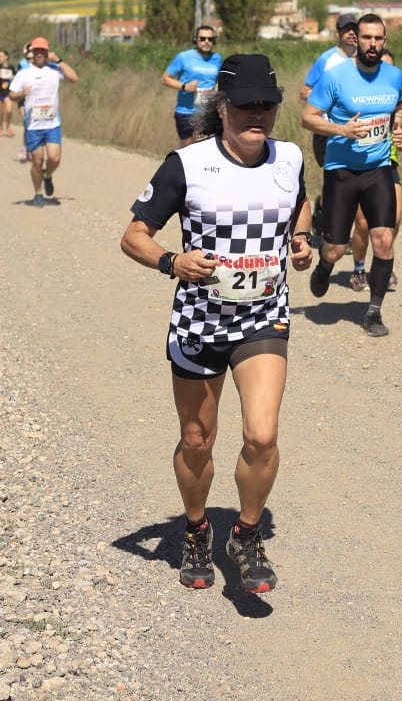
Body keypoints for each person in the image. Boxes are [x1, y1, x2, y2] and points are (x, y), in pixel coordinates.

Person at [119, 53, 314, 594]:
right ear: (222, 106)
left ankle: (246, 536)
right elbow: (133, 235)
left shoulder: (290, 158)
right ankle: (197, 530)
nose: (258, 116)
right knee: (197, 438)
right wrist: (172, 262)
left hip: (262, 318)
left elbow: (300, 204)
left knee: (262, 433)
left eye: (268, 107)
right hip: (200, 321)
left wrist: (300, 242)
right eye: (247, 106)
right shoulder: (187, 164)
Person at [301, 12, 402, 337]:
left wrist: (400, 129)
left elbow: (398, 106)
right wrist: (340, 129)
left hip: (378, 170)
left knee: (384, 239)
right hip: (342, 171)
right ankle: (325, 265)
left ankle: (373, 311)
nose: (372, 44)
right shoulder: (336, 76)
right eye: (366, 38)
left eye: (378, 39)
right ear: (355, 40)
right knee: (335, 247)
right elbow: (308, 117)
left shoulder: (394, 76)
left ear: (384, 41)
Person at [346, 46, 402, 292]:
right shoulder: (352, 92)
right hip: (357, 163)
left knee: (394, 220)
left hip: (387, 163)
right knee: (362, 223)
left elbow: (399, 129)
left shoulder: (396, 94)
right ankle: (359, 268)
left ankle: (382, 261)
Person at [298, 12, 360, 226]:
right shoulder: (327, 59)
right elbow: (304, 91)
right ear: (338, 33)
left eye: (355, 29)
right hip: (327, 129)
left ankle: (334, 217)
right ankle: (328, 220)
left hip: (357, 129)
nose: (352, 33)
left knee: (352, 178)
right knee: (336, 178)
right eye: (347, 29)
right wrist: (328, 98)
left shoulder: (364, 60)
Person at [8, 36, 78, 207]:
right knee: (37, 161)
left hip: (52, 124)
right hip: (33, 125)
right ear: (32, 52)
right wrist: (22, 94)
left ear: (47, 52)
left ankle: (48, 175)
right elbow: (11, 94)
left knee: (54, 158)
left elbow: (73, 78)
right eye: (36, 50)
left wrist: (59, 60)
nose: (39, 53)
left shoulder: (54, 70)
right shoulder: (24, 73)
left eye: (42, 50)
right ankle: (38, 193)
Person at [160, 24, 221, 145]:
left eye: (210, 39)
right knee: (187, 149)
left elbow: (219, 81)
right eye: (202, 39)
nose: (207, 42)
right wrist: (184, 86)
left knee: (204, 146)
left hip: (206, 112)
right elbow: (165, 79)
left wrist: (216, 94)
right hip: (186, 112)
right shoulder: (184, 57)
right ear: (195, 39)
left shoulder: (217, 58)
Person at [0, 49, 16, 137]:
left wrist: (12, 78)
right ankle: (1, 129)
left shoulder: (11, 68)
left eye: (1, 56)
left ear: (6, 57)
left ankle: (8, 127)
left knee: (9, 110)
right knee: (0, 112)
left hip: (8, 92)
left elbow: (16, 78)